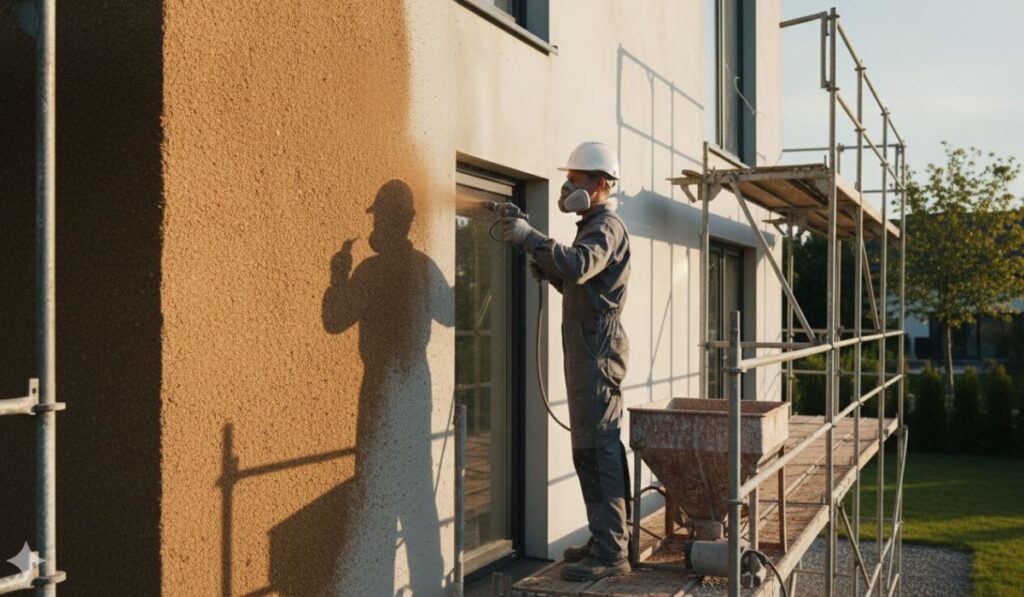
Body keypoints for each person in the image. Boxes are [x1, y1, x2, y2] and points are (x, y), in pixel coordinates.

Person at [500, 141, 632, 581]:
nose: (567, 186)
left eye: (575, 180)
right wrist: (551, 271)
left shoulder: (606, 227)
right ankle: (603, 536)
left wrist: (530, 238)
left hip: (596, 348)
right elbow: (581, 284)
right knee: (587, 450)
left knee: (600, 449)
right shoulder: (591, 223)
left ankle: (612, 552)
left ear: (599, 184)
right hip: (587, 343)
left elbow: (579, 266)